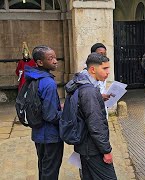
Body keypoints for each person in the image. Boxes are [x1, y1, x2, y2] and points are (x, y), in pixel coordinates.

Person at [66, 52, 117, 180]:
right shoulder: (89, 91)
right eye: (104, 68)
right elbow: (96, 125)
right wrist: (106, 151)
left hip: (84, 146)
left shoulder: (82, 85)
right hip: (92, 149)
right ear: (93, 69)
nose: (108, 72)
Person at [24, 45, 63, 180]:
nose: (55, 61)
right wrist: (66, 114)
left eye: (55, 57)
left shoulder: (34, 77)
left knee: (43, 168)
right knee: (50, 171)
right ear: (40, 62)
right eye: (50, 58)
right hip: (50, 136)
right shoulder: (48, 83)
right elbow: (50, 115)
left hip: (38, 134)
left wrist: (58, 106)